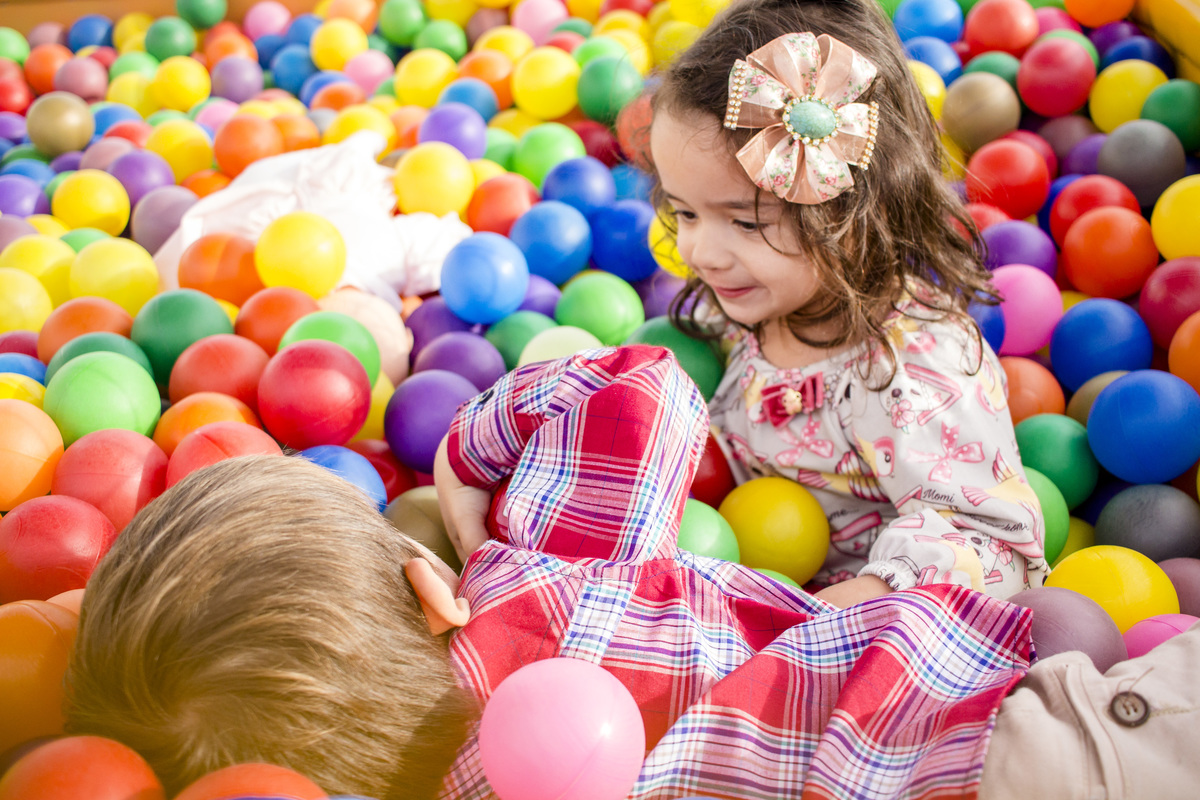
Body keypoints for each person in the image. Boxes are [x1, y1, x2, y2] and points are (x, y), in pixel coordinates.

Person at [66, 346, 1198, 800]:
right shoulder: (537, 570)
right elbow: (642, 387)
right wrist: (473, 449)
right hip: (1007, 728)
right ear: (426, 581)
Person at [647, 0, 1047, 608]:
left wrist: (840, 606)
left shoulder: (909, 373)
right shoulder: (747, 305)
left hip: (861, 631)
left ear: (857, 211)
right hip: (730, 579)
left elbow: (998, 546)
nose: (701, 250)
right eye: (685, 212)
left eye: (748, 223)